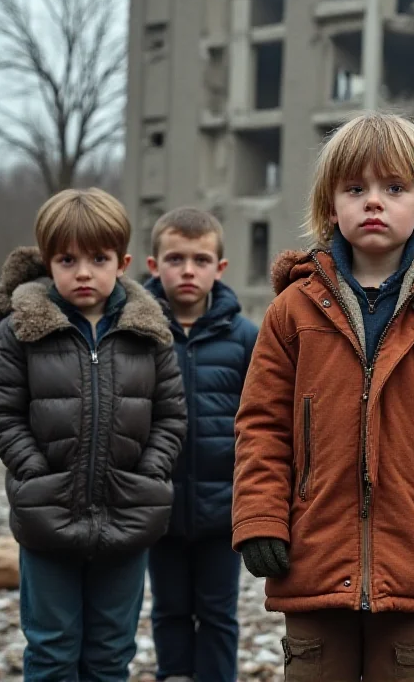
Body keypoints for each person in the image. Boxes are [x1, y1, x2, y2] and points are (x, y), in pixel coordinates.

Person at [231, 113, 414, 681]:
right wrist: (260, 517)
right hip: (314, 552)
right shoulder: (292, 310)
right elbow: (261, 423)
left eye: (394, 188)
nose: (374, 202)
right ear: (331, 205)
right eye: (356, 189)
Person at [0, 188, 187, 681]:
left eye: (98, 258)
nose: (82, 272)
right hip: (47, 514)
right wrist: (35, 471)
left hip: (127, 515)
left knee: (110, 653)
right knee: (52, 651)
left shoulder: (149, 330)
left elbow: (171, 415)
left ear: (123, 262)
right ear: (47, 260)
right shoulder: (23, 329)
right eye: (67, 259)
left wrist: (149, 470)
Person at [144, 207, 258, 682]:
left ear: (220, 268)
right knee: (169, 611)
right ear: (153, 266)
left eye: (200, 259)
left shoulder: (246, 338)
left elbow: (263, 421)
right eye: (175, 258)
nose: (188, 270)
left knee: (217, 614)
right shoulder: (137, 333)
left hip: (222, 510)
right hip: (157, 507)